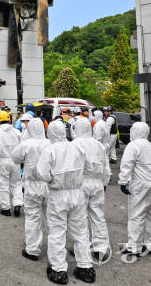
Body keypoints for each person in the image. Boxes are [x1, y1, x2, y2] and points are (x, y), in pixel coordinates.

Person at [37, 120, 95, 284]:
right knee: (81, 231)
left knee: (57, 231)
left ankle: (58, 270)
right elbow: (89, 168)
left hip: (58, 195)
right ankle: (85, 268)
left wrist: (53, 180)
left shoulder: (50, 150)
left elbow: (43, 173)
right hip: (77, 193)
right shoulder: (77, 147)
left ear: (50, 133)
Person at [118, 122, 151, 255]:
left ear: (135, 131)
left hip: (143, 182)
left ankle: (134, 246)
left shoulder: (133, 145)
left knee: (136, 214)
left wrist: (123, 181)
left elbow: (127, 163)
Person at [71, 118, 111, 261]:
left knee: (80, 217)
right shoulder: (98, 145)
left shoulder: (74, 144)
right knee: (98, 215)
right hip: (97, 182)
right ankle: (100, 248)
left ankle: (82, 248)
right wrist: (105, 182)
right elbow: (106, 166)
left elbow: (71, 167)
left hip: (80, 183)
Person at [12, 118, 51, 261]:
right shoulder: (51, 143)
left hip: (32, 185)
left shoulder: (26, 144)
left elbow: (15, 158)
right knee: (52, 217)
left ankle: (32, 250)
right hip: (48, 184)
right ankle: (56, 247)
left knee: (32, 217)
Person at [0, 110, 23, 216]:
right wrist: (21, 161)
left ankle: (6, 209)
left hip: (3, 161)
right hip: (16, 161)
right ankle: (17, 204)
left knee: (3, 185)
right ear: (9, 120)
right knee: (17, 183)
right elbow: (22, 148)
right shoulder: (17, 132)